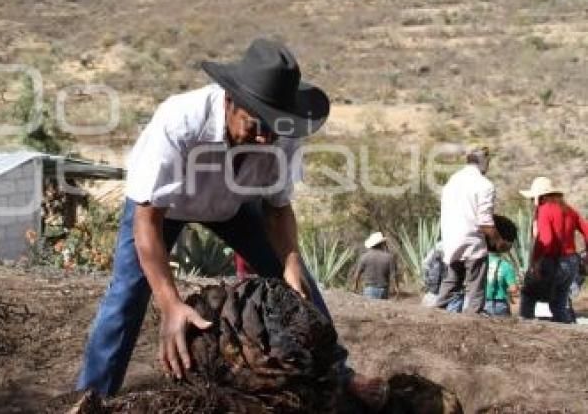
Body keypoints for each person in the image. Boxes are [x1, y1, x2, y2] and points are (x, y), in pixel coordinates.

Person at [76, 38, 386, 408]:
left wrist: (288, 265)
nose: (265, 138)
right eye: (256, 126)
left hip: (234, 206)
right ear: (229, 101)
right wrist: (171, 305)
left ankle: (341, 374)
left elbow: (277, 208)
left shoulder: (282, 131)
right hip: (165, 206)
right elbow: (147, 219)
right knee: (127, 294)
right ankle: (91, 394)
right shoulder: (179, 121)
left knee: (300, 280)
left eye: (273, 130)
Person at [437, 146, 510, 314]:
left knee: (450, 282)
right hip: (472, 241)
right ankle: (472, 321)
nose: (489, 165)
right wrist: (499, 242)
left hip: (450, 240)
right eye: (488, 161)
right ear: (483, 161)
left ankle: (434, 314)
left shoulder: (452, 181)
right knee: (476, 287)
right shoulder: (485, 185)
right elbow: (485, 222)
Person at [518, 177, 588, 323]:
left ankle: (524, 329)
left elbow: (546, 240)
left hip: (552, 262)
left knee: (528, 294)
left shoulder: (544, 210)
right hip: (572, 262)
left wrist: (536, 262)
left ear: (540, 197)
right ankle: (566, 333)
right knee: (559, 303)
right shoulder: (570, 210)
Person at [484, 215, 520, 316]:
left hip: (481, 302)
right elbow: (513, 288)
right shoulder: (506, 265)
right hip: (500, 305)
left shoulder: (479, 262)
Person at [353, 232, 398, 300]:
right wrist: (396, 289)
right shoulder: (389, 257)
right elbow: (394, 276)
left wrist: (355, 288)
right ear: (382, 244)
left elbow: (357, 275)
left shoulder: (364, 257)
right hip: (383, 290)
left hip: (368, 290)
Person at [421, 241, 447, 307]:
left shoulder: (439, 246)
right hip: (435, 284)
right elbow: (426, 264)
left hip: (437, 283)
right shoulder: (439, 247)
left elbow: (425, 264)